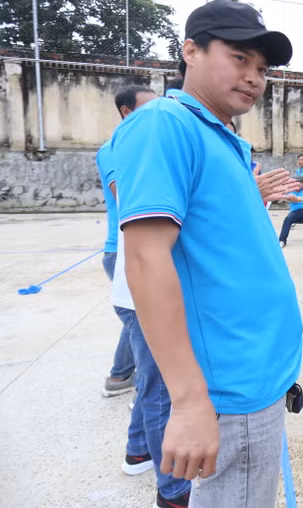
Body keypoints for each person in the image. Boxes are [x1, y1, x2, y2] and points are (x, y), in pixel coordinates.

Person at [111, 0, 303, 508]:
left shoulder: (220, 136)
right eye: (239, 58)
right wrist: (190, 400)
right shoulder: (165, 125)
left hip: (257, 376)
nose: (254, 77)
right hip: (228, 389)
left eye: (262, 68)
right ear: (191, 52)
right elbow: (146, 259)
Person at [111, 189, 192, 508]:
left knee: (150, 385)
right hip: (146, 299)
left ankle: (139, 449)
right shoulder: (147, 167)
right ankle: (173, 490)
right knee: (160, 394)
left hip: (138, 297)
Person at [97, 85, 156, 398]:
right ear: (126, 112)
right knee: (142, 321)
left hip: (137, 246)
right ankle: (144, 391)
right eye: (149, 109)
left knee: (138, 318)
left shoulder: (143, 148)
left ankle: (120, 375)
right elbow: (125, 196)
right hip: (121, 250)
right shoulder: (113, 149)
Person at [278, 178, 303, 248]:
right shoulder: (290, 192)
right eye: (296, 183)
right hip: (295, 213)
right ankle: (282, 240)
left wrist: (298, 199)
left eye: (300, 183)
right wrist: (300, 199)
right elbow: (290, 198)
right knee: (288, 219)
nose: (298, 184)